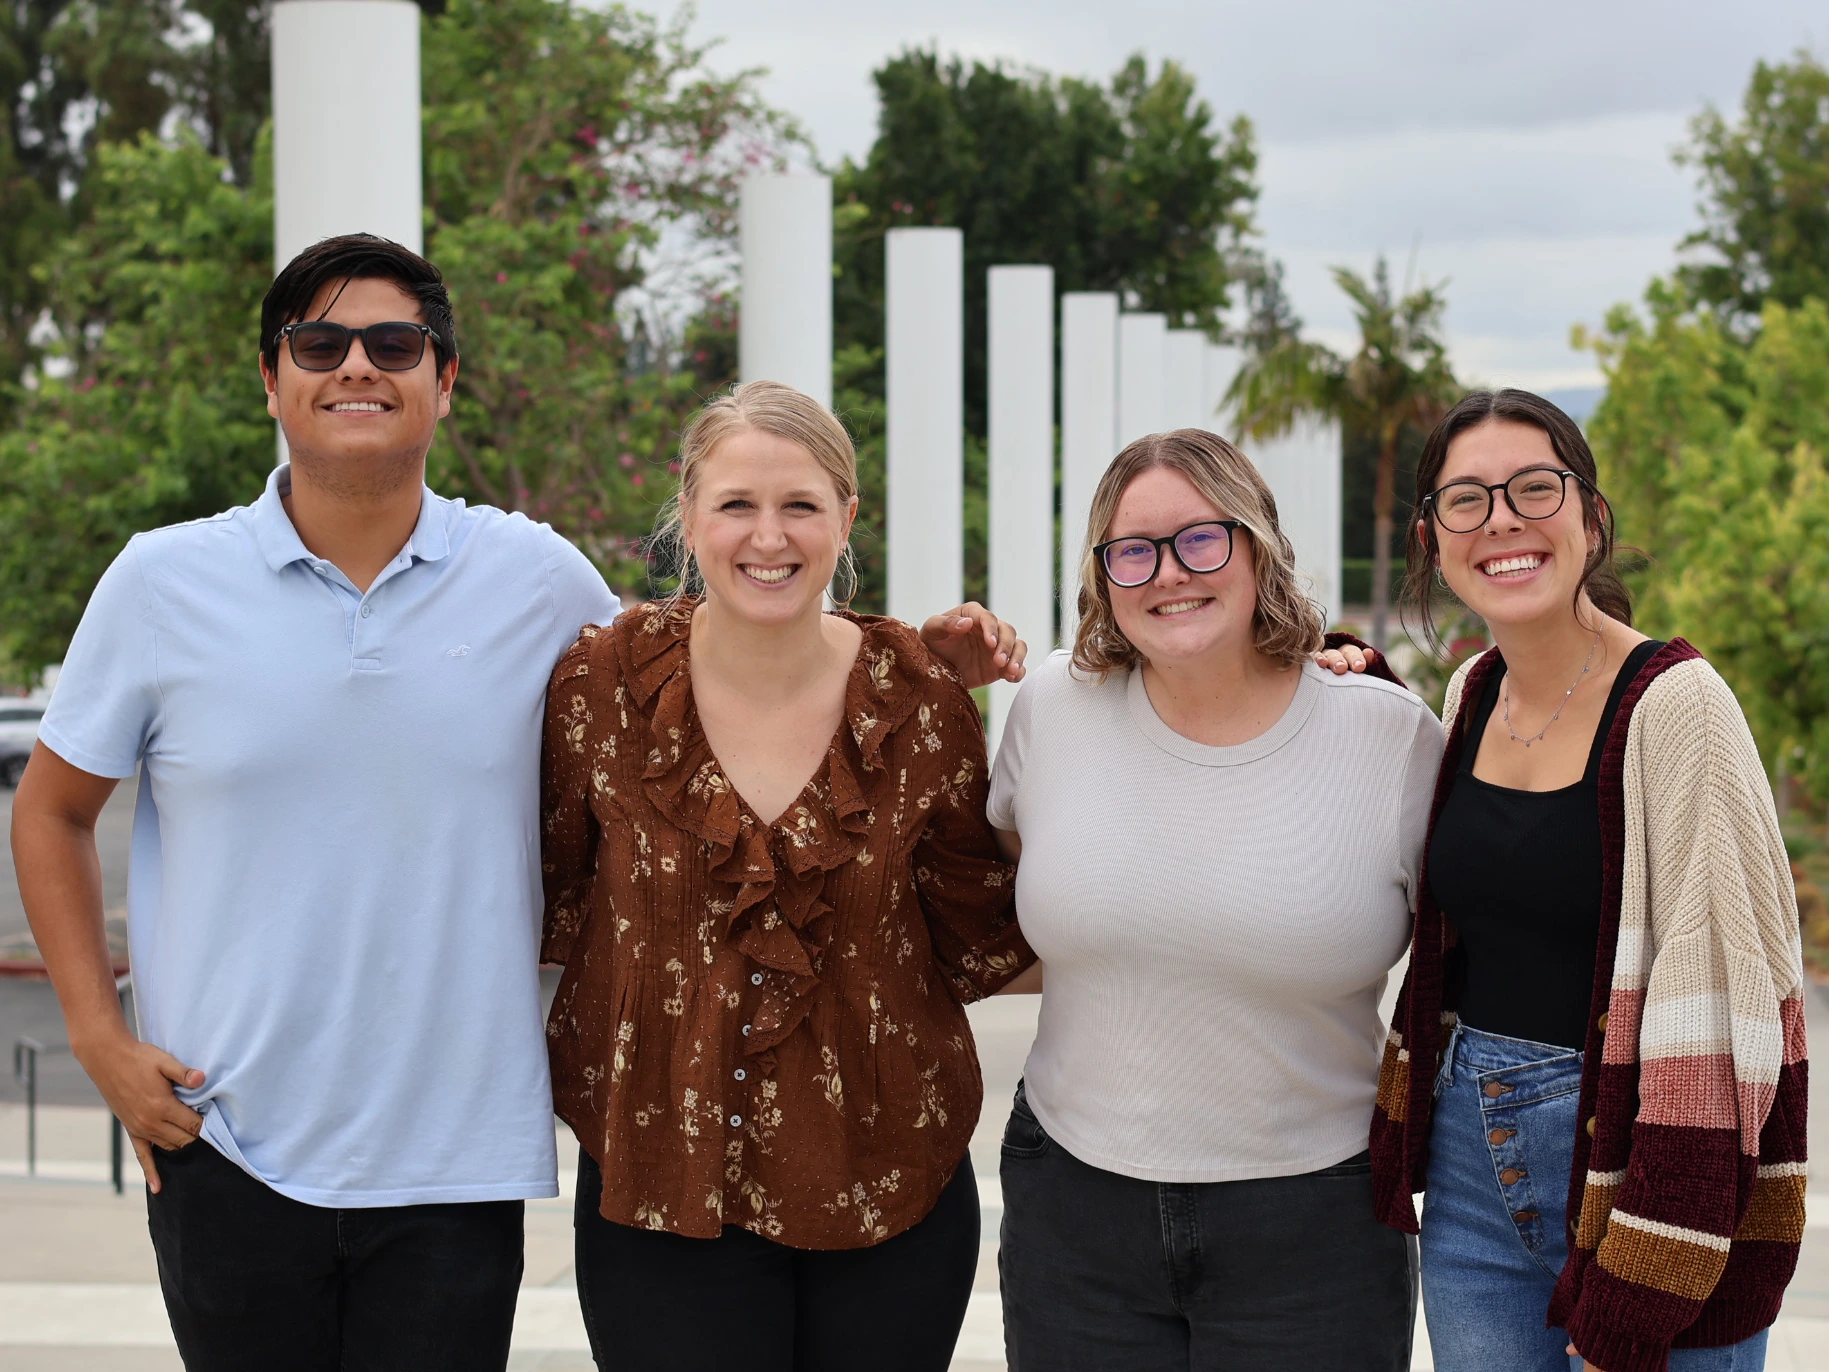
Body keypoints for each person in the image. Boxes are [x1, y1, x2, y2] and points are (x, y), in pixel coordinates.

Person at [12, 235, 1023, 1371]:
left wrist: (906, 654)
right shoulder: (159, 581)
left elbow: (737, 642)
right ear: (270, 376)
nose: (357, 365)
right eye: (319, 342)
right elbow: (49, 812)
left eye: (394, 342)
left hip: (461, 1157)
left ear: (443, 379)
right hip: (228, 1137)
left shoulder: (533, 581)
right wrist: (99, 1038)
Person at [539, 379, 1036, 1372]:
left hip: (887, 1185)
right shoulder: (602, 686)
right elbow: (549, 895)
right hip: (660, 1192)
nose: (767, 536)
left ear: (845, 518)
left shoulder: (920, 701)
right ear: (688, 516)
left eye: (799, 504)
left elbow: (984, 931)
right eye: (735, 505)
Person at [986, 428, 1443, 1370]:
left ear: (1257, 544)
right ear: (1102, 575)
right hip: (1075, 1206)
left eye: (1201, 539)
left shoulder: (1386, 735)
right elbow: (1020, 903)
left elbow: (1466, 950)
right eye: (1132, 551)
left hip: (1314, 1219)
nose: (1168, 573)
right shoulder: (1049, 709)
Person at [1366, 389, 1804, 1372]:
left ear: (1590, 516)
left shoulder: (1675, 704)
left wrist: (1637, 1292)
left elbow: (1730, 1021)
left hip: (1646, 1164)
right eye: (1466, 499)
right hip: (1471, 1168)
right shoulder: (1469, 693)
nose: (1502, 521)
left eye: (1532, 487)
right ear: (1431, 537)